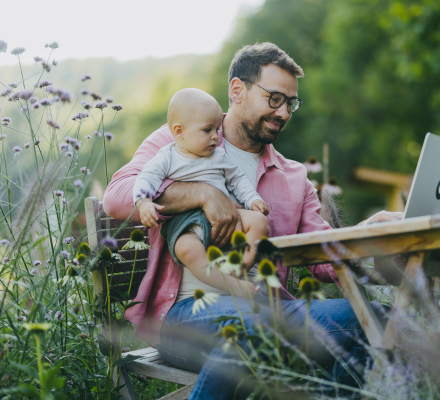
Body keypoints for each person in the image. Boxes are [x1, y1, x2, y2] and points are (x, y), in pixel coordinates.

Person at [103, 42, 402, 399]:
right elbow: (117, 195)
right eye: (275, 98)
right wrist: (202, 193)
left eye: (291, 103)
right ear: (237, 90)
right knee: (253, 330)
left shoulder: (294, 177)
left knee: (379, 320)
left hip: (268, 309)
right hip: (186, 315)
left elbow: (323, 259)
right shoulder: (180, 141)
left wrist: (370, 237)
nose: (285, 112)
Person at [134, 88, 269, 298]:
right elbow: (146, 178)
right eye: (207, 130)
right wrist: (144, 203)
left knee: (260, 223)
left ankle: (240, 268)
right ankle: (229, 285)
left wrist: (252, 199)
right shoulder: (167, 157)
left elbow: (237, 180)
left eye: (217, 129)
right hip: (186, 223)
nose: (216, 137)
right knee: (187, 250)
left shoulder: (219, 156)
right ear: (180, 131)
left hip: (227, 217)